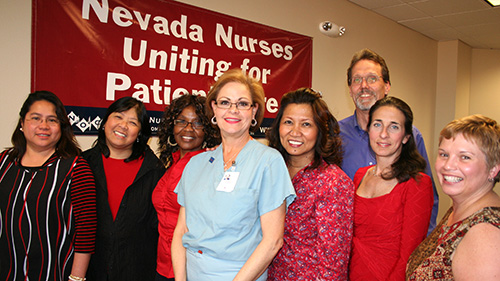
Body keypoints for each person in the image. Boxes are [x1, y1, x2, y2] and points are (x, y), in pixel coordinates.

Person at [171, 69, 296, 281]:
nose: (233, 110)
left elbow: (273, 241)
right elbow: (180, 230)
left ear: (254, 110)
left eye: (242, 103)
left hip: (240, 275)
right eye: (225, 102)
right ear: (214, 108)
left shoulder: (268, 161)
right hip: (191, 272)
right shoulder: (196, 163)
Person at [339, 48, 438, 234]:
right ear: (350, 89)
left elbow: (428, 201)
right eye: (357, 80)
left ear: (387, 86)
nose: (364, 86)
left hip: (396, 251)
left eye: (372, 78)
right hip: (348, 249)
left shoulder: (411, 136)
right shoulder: (334, 136)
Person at [0, 91, 96, 281]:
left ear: (61, 127)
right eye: (36, 118)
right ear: (22, 123)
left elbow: (86, 232)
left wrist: (76, 278)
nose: (43, 126)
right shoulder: (4, 162)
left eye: (52, 120)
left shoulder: (75, 168)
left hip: (54, 273)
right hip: (7, 271)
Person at [266, 88, 354, 280]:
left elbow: (334, 263)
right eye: (288, 122)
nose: (295, 132)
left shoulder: (333, 182)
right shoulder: (271, 171)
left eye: (306, 124)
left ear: (320, 131)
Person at [406, 114, 500, 280]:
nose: (448, 165)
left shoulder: (485, 234)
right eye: (444, 154)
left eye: (465, 157)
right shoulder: (460, 209)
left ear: (493, 169)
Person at [349, 96, 433, 281]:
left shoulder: (417, 184)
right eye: (377, 124)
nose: (383, 134)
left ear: (406, 137)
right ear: (368, 129)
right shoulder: (359, 175)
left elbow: (409, 257)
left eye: (394, 126)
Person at [83, 97, 165, 281]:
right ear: (105, 122)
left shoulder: (155, 171)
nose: (123, 125)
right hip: (90, 269)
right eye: (118, 117)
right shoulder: (82, 164)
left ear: (140, 133)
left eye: (133, 122)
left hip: (138, 270)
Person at [153, 94, 220, 281]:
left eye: (197, 123)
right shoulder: (170, 163)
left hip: (191, 269)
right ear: (172, 126)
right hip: (162, 265)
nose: (188, 129)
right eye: (182, 121)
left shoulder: (211, 164)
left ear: (207, 129)